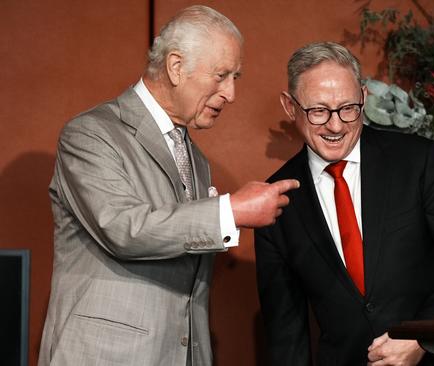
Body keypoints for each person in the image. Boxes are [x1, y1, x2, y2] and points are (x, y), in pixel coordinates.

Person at [38, 5, 298, 366]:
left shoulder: (197, 159)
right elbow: (123, 229)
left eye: (235, 77)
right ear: (176, 67)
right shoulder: (91, 134)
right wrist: (230, 211)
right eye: (222, 75)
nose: (231, 93)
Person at [254, 42, 434, 366]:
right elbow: (286, 332)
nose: (336, 125)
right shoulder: (274, 199)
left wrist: (423, 334)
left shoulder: (418, 160)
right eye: (318, 111)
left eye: (348, 108)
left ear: (364, 98)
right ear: (290, 106)